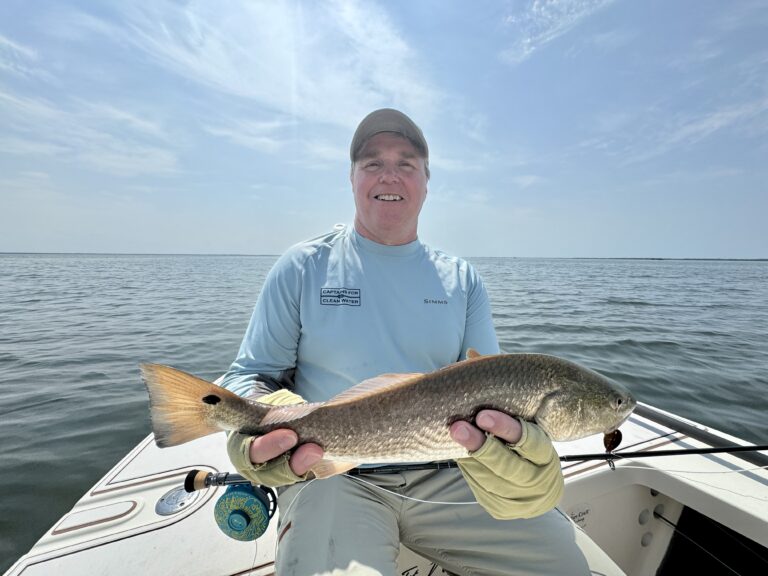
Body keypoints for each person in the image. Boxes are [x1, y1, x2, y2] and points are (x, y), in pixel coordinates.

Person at [219, 109, 610, 575]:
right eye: (372, 163)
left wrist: (521, 464)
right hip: (330, 469)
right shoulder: (302, 266)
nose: (390, 175)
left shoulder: (463, 280)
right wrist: (254, 425)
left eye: (407, 163)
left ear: (427, 180)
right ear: (351, 178)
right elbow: (250, 374)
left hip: (449, 469)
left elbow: (497, 388)